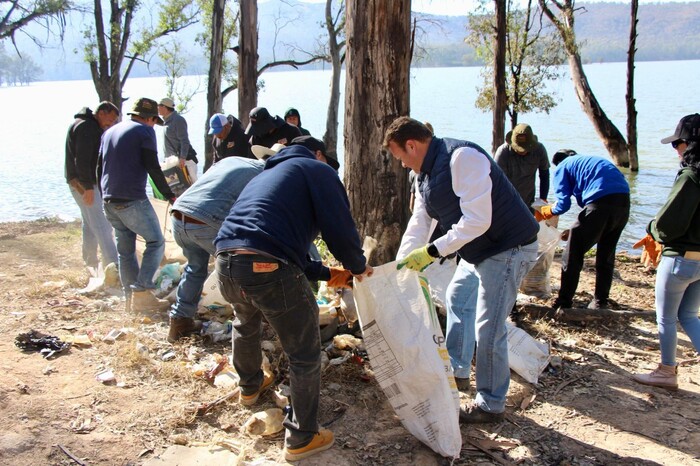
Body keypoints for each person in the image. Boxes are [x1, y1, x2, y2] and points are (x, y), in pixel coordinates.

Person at [214, 137, 372, 461]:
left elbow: (272, 242)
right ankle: (302, 436)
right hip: (267, 265)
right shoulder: (317, 169)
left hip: (226, 262)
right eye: (328, 161)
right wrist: (358, 267)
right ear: (318, 154)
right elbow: (339, 229)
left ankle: (249, 387)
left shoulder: (266, 175)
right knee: (303, 351)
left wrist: (329, 273)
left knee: (245, 320)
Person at [385, 117, 538, 423]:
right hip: (479, 250)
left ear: (412, 145)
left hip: (508, 247)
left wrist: (432, 251)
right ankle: (456, 370)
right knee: (457, 298)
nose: (401, 164)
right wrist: (402, 265)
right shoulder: (423, 177)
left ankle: (490, 404)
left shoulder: (463, 158)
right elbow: (420, 223)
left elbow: (477, 220)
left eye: (400, 156)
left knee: (489, 326)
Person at [632, 113, 700, 390]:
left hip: (679, 261)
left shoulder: (691, 177)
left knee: (666, 317)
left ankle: (666, 371)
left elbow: (667, 225)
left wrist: (651, 228)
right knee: (689, 316)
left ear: (690, 143)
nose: (676, 150)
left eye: (678, 143)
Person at [98, 97, 176, 313]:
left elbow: (99, 168)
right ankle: (143, 292)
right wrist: (169, 195)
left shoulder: (109, 132)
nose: (154, 126)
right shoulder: (144, 132)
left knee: (125, 251)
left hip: (109, 200)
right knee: (156, 242)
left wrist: (104, 194)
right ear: (149, 118)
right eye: (154, 121)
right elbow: (153, 166)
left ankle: (129, 299)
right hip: (131, 199)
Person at [537, 150, 630, 310]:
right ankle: (601, 301)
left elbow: (563, 204)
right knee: (606, 254)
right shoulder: (591, 160)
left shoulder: (562, 167)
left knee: (572, 254)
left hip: (600, 202)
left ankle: (563, 302)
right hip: (623, 204)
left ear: (557, 162)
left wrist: (546, 211)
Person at [64, 101, 120, 272]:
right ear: (102, 113)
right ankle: (114, 267)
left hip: (77, 181)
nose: (111, 123)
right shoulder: (88, 128)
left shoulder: (83, 124)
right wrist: (88, 187)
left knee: (90, 223)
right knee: (102, 224)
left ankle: (90, 263)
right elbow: (81, 159)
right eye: (110, 119)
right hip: (83, 183)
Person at [494, 123, 550, 208]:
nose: (522, 151)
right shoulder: (503, 152)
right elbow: (496, 181)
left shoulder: (539, 150)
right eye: (519, 148)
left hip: (529, 200)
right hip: (506, 201)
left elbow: (544, 175)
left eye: (526, 147)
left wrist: (542, 200)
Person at [158, 97, 199, 182]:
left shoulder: (178, 120)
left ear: (165, 107)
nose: (157, 108)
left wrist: (182, 157)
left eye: (159, 106)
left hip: (185, 162)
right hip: (173, 163)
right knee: (176, 190)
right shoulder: (166, 121)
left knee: (191, 188)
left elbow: (184, 140)